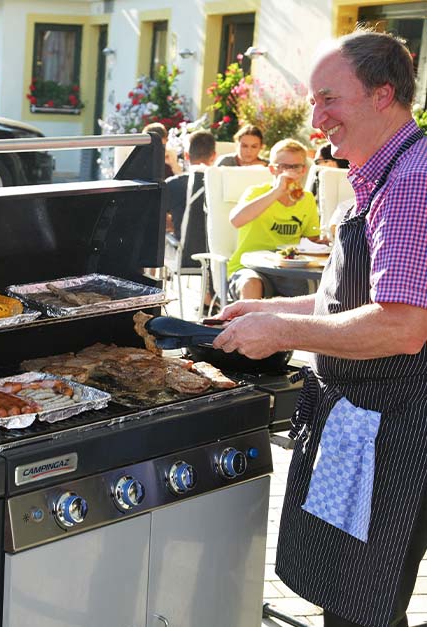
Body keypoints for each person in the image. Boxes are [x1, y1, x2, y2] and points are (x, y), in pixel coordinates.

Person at [212, 28, 427, 627]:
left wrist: (282, 335)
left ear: (383, 96)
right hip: (361, 419)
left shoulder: (412, 182)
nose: (316, 118)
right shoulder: (376, 175)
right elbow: (357, 298)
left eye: (328, 99)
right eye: (311, 101)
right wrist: (270, 313)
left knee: (363, 605)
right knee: (351, 596)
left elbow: (404, 325)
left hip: (401, 424)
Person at [227, 138, 320, 300]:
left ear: (303, 170)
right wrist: (277, 191)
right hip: (249, 266)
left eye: (295, 167)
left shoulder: (307, 199)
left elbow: (311, 240)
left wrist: (323, 241)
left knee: (312, 289)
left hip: (287, 268)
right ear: (272, 170)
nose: (289, 172)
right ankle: (247, 324)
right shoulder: (257, 192)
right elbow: (236, 220)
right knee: (252, 283)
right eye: (283, 167)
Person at [164, 130, 217, 308]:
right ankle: (210, 294)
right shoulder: (221, 183)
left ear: (186, 155)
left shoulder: (173, 184)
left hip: (185, 256)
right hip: (217, 257)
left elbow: (160, 221)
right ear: (214, 156)